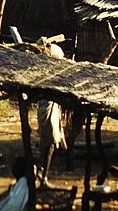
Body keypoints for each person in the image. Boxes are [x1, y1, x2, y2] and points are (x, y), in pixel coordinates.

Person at [37, 37, 66, 186]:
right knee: (50, 143)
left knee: (50, 142)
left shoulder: (45, 70)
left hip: (49, 105)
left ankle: (42, 171)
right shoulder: (47, 72)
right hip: (48, 106)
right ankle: (43, 176)